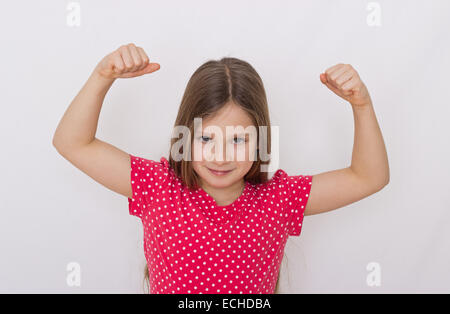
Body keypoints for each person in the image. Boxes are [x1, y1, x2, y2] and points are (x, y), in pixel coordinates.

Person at [52, 43, 390, 294]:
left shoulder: (279, 200)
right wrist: (102, 76)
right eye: (206, 138)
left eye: (239, 140)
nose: (221, 156)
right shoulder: (158, 186)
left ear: (260, 141)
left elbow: (368, 177)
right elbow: (72, 142)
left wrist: (361, 105)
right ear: (184, 134)